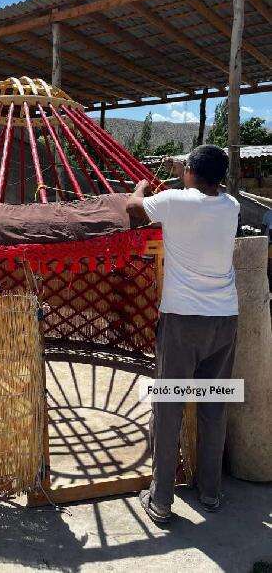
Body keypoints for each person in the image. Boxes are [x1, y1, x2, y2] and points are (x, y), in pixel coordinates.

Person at [126, 144, 240, 524]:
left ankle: (160, 500)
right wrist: (184, 171)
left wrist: (141, 187)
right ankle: (210, 493)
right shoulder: (231, 206)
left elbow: (132, 208)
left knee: (168, 406)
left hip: (183, 320)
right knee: (214, 405)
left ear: (190, 171)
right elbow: (202, 190)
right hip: (224, 319)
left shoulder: (173, 200)